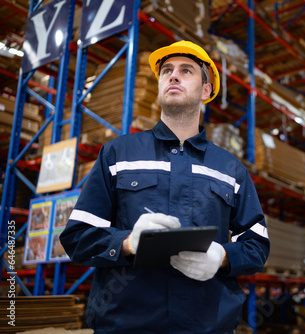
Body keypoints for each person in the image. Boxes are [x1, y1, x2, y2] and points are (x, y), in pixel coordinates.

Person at [60, 40, 270, 334]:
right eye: (166, 71)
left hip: (208, 326)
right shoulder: (118, 154)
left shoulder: (230, 169)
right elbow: (78, 237)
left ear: (206, 91)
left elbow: (256, 244)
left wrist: (221, 257)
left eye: (186, 71)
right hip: (127, 325)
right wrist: (127, 243)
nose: (173, 76)